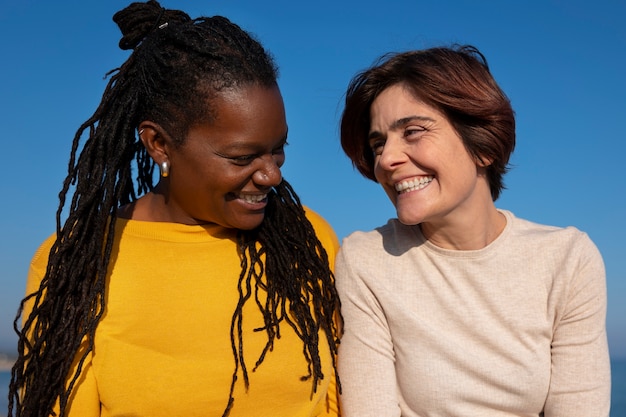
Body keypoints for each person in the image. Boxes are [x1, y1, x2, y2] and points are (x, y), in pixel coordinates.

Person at [8, 2, 342, 416]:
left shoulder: (307, 241)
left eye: (278, 150)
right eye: (242, 157)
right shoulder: (78, 262)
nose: (271, 176)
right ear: (159, 144)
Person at [335, 44, 610, 417]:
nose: (386, 159)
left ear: (483, 145)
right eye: (378, 143)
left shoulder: (568, 259)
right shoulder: (367, 259)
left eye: (413, 132)